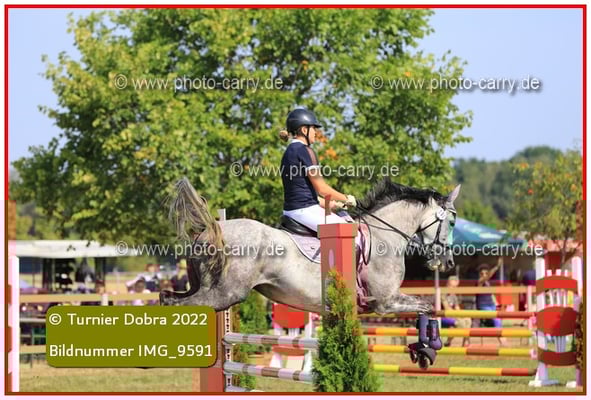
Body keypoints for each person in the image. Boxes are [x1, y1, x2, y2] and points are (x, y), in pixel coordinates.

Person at [279, 109, 357, 231]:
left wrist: (331, 204)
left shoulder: (288, 152)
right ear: (304, 130)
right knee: (349, 230)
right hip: (305, 211)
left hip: (292, 211)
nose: (316, 132)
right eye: (314, 128)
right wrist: (347, 199)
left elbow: (303, 193)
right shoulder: (305, 151)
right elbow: (322, 189)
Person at [476, 258, 506, 345]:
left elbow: (491, 294)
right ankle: (502, 341)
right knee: (496, 320)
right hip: (483, 307)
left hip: (491, 305)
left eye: (486, 273)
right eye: (482, 273)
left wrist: (496, 303)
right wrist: (496, 267)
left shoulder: (488, 283)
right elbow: (487, 277)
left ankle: (502, 339)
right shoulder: (479, 282)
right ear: (479, 274)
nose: (484, 275)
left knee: (498, 320)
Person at [441, 276, 471, 347]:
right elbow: (447, 308)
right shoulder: (442, 294)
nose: (452, 288)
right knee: (459, 322)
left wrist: (462, 316)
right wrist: (458, 316)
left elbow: (457, 309)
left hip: (451, 315)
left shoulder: (453, 296)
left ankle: (464, 342)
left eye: (454, 287)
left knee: (468, 320)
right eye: (450, 286)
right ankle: (466, 341)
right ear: (447, 284)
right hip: (442, 316)